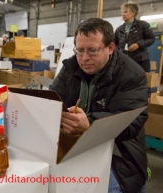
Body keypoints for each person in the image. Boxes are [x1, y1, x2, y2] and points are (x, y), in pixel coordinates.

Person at [50, 18, 148, 193]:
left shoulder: (132, 74)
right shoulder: (71, 67)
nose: (84, 58)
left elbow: (130, 122)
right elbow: (52, 99)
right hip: (78, 144)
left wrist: (89, 123)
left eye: (93, 51)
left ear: (110, 48)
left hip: (120, 153)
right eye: (79, 50)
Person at [114, 1, 155, 72]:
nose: (123, 14)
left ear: (133, 13)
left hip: (141, 60)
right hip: (124, 61)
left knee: (142, 81)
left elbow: (151, 39)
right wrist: (120, 51)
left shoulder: (143, 25)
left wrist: (138, 44)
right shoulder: (119, 29)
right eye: (122, 12)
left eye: (126, 12)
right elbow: (115, 43)